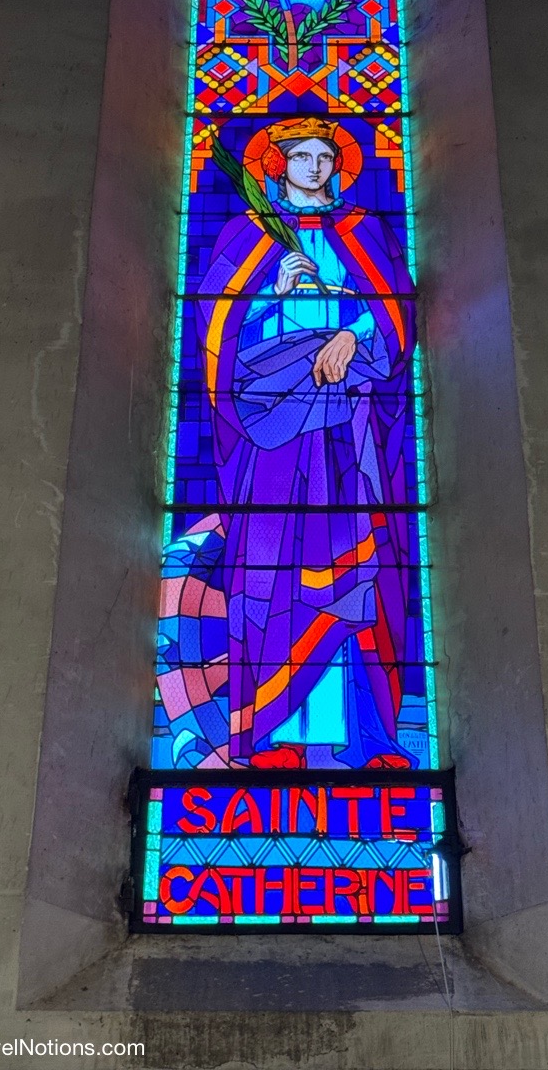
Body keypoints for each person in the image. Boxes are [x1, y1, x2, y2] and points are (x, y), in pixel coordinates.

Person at [194, 116, 418, 769]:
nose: (315, 167)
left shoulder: (364, 230)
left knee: (358, 565)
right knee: (276, 571)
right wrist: (271, 292)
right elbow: (216, 336)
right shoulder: (249, 235)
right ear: (279, 165)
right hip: (274, 429)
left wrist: (353, 333)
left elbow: (396, 319)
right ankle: (274, 737)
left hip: (347, 424)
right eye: (302, 156)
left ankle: (365, 737)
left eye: (325, 156)